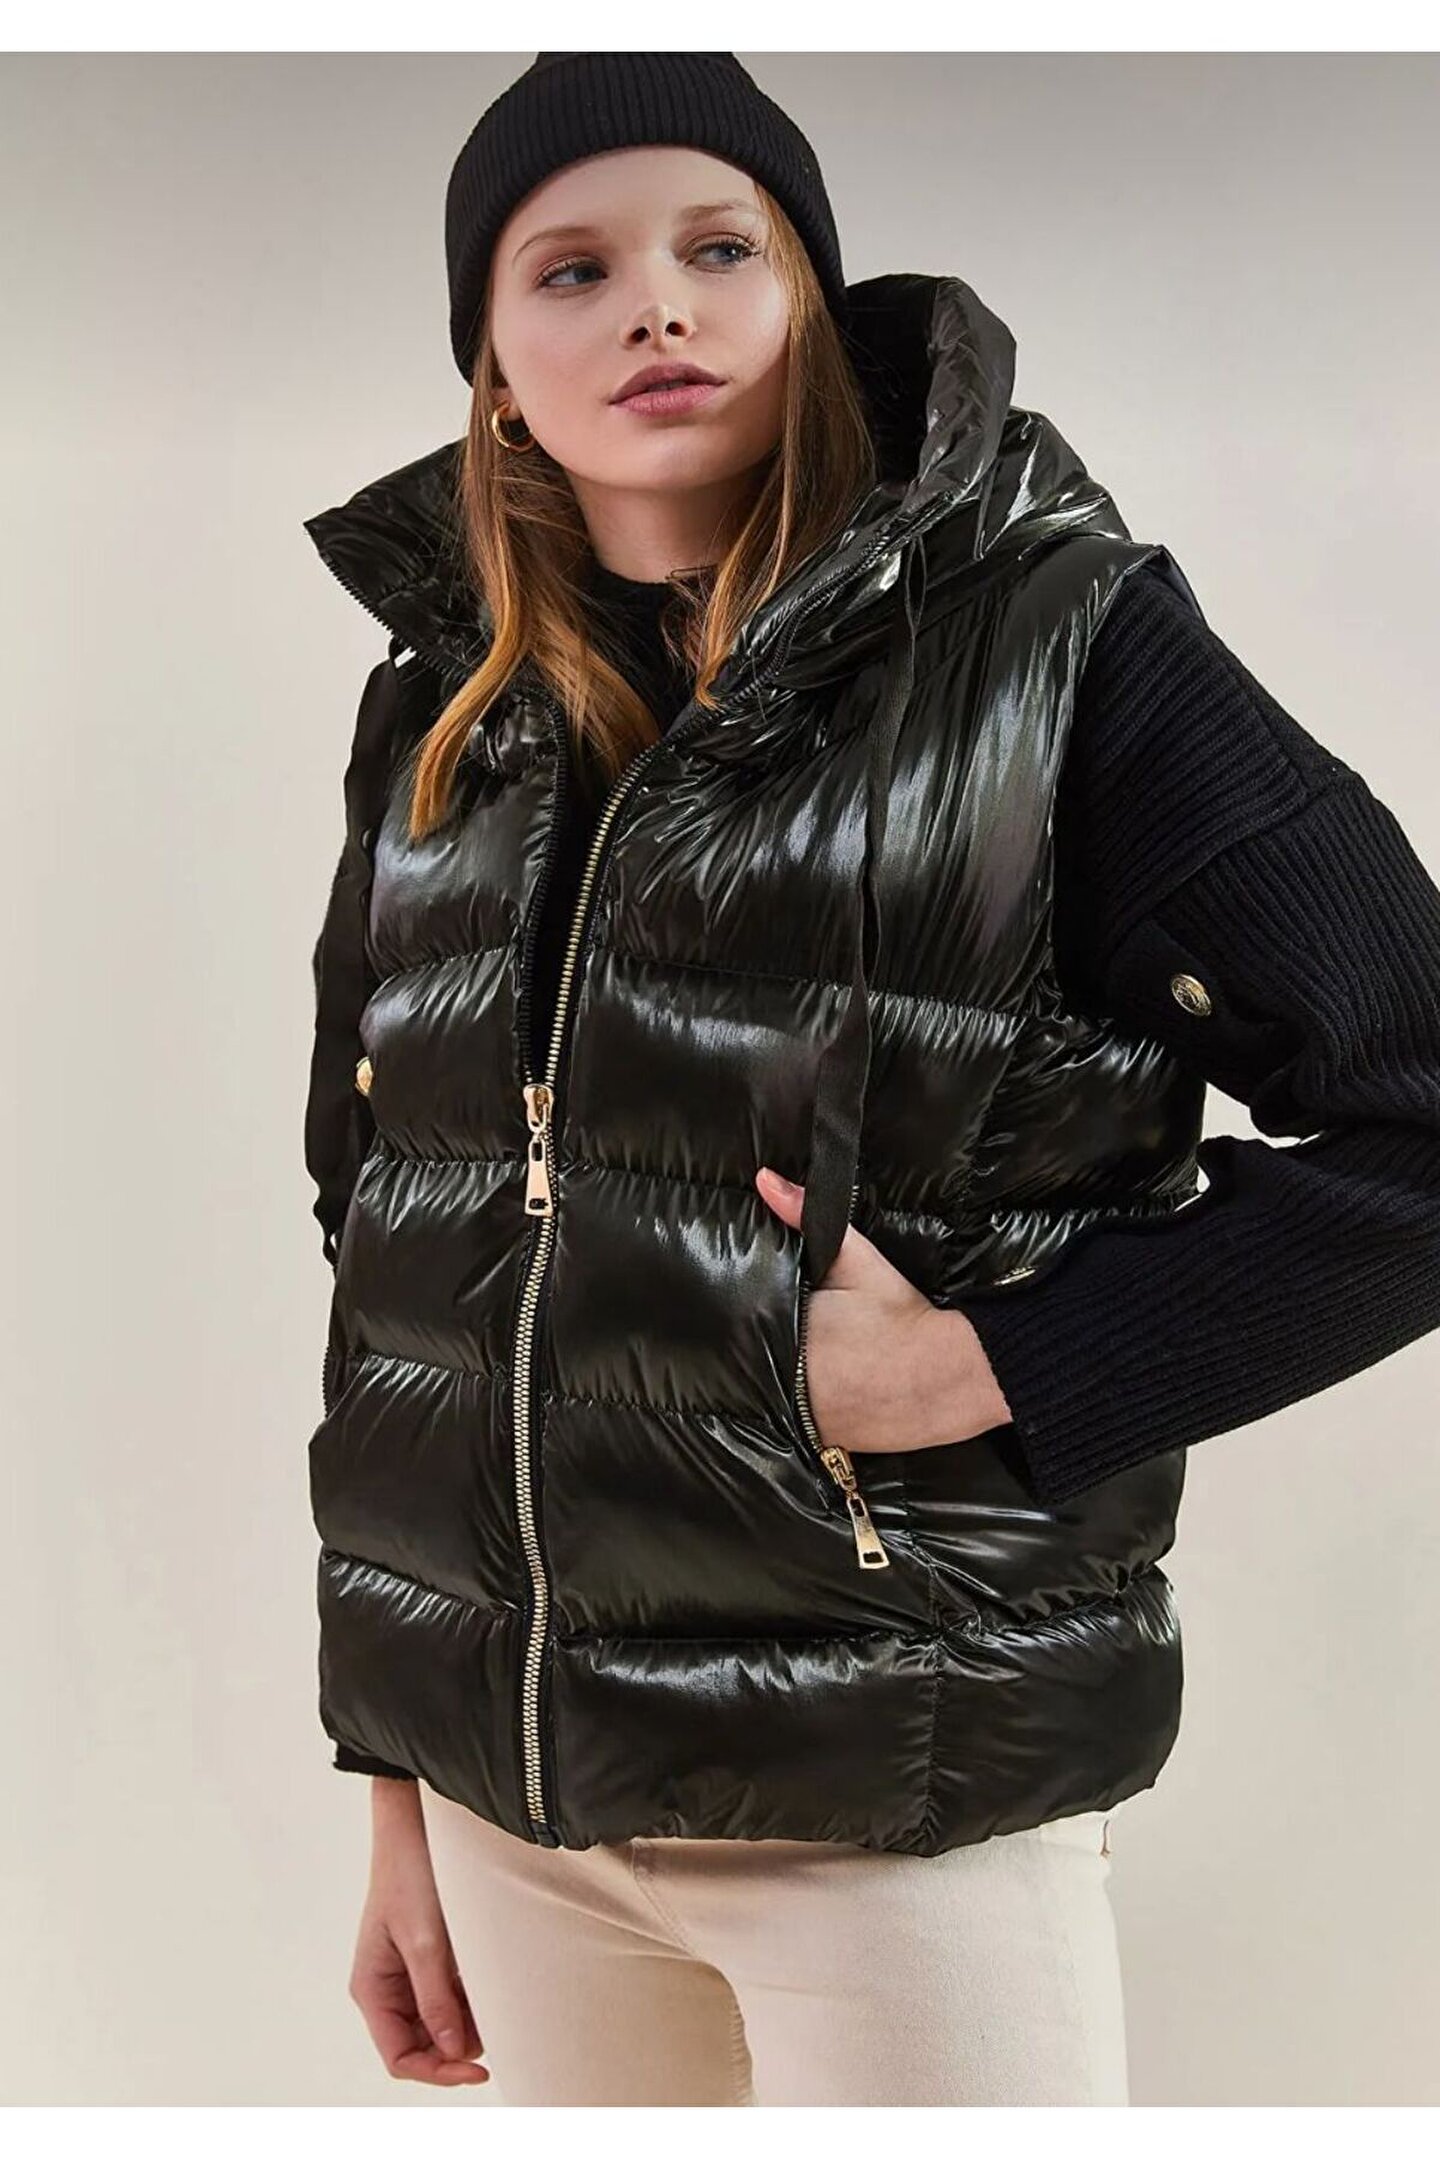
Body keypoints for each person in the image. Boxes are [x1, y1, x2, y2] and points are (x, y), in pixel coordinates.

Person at [299, 53, 1440, 2106]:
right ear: (494, 368)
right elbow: (389, 1240)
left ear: (809, 301)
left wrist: (985, 1368)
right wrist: (400, 1770)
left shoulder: (1061, 644)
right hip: (521, 1820)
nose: (658, 305)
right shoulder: (448, 712)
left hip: (903, 1794)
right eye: (572, 269)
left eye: (721, 248)